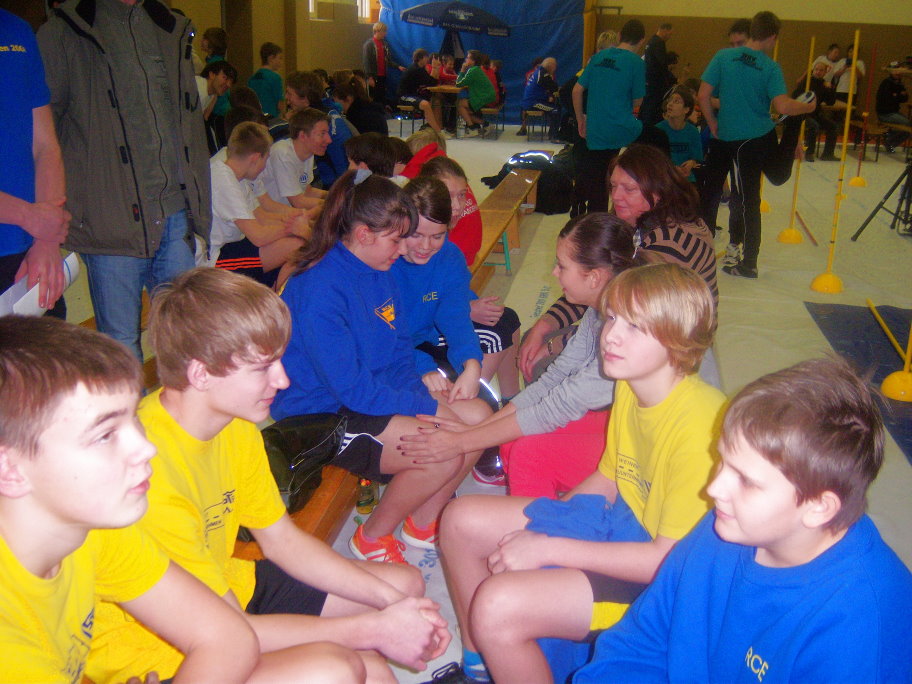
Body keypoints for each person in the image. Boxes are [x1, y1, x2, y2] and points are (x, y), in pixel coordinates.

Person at [87, 267, 450, 682]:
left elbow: (282, 541)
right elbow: (227, 635)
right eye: (262, 368)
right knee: (339, 667)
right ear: (201, 373)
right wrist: (373, 629)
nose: (282, 379)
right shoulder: (145, 472)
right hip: (163, 648)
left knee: (403, 587)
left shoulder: (235, 426)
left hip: (226, 589)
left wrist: (393, 607)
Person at [438, 263, 725, 683]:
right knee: (460, 520)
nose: (611, 336)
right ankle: (482, 665)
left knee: (497, 605)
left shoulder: (702, 427)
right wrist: (548, 526)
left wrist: (548, 548)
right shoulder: (632, 383)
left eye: (635, 327)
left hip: (668, 582)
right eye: (613, 318)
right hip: (622, 525)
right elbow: (609, 478)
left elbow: (667, 561)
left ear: (677, 339)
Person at [575, 357, 912, 682]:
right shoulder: (724, 528)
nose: (714, 488)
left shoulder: (855, 622)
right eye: (722, 461)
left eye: (747, 481)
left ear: (818, 508)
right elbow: (639, 642)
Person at [0, 315, 262, 683]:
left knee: (328, 669)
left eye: (133, 419)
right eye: (105, 435)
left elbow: (230, 639)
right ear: (10, 470)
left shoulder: (88, 527)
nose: (146, 447)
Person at [272, 170, 491, 564]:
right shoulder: (319, 288)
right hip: (323, 413)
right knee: (443, 449)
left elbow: (399, 353)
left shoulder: (379, 270)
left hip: (368, 394)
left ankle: (422, 523)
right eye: (398, 239)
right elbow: (351, 390)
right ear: (363, 234)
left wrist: (426, 395)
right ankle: (372, 537)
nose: (405, 249)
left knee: (477, 418)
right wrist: (429, 408)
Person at [401, 213, 641, 499]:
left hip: (640, 444)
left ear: (594, 277)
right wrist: (477, 429)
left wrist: (463, 441)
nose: (554, 272)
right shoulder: (601, 308)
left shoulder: (626, 331)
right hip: (622, 420)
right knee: (510, 441)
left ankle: (538, 524)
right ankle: (535, 516)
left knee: (526, 451)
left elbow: (557, 406)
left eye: (562, 266)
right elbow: (555, 378)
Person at [38, 0, 211, 361]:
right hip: (111, 221)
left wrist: (199, 212)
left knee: (186, 343)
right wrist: (48, 226)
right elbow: (43, 137)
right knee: (120, 347)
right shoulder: (65, 30)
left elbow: (189, 125)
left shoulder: (169, 26)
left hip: (175, 214)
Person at [519, 144, 718, 383]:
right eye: (613, 186)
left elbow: (627, 317)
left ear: (658, 190)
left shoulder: (670, 243)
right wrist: (545, 324)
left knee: (544, 365)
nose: (616, 196)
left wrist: (554, 345)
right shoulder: (637, 221)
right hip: (630, 328)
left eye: (629, 189)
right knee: (533, 338)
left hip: (667, 352)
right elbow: (592, 284)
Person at [697, 11, 816, 279]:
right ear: (772, 37)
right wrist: (807, 107)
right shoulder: (770, 67)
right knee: (750, 199)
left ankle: (717, 254)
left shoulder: (723, 56)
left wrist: (712, 122)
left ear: (751, 31)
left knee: (721, 196)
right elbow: (782, 106)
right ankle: (748, 262)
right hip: (754, 140)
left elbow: (703, 94)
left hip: (732, 138)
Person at [417, 157, 522, 402]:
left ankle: (511, 399)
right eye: (448, 196)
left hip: (437, 317)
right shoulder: (414, 249)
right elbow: (416, 308)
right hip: (420, 335)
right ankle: (468, 397)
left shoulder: (447, 248)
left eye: (462, 195)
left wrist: (468, 305)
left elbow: (452, 290)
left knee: (508, 318)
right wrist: (468, 309)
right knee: (496, 334)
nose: (456, 206)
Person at [0, 9, 68, 316]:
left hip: (27, 251)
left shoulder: (16, 30)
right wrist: (29, 216)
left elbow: (45, 146)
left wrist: (46, 241)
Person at [393, 176, 484, 404]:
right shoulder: (385, 262)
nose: (426, 247)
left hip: (423, 341)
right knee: (464, 411)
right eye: (416, 235)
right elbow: (380, 338)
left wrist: (472, 364)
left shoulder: (450, 257)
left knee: (478, 401)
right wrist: (423, 367)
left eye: (437, 236)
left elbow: (455, 317)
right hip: (391, 354)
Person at [572, 20, 667, 214]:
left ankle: (597, 221)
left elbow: (576, 90)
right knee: (660, 138)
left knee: (600, 181)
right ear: (641, 40)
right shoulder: (636, 62)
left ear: (619, 35)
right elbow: (638, 100)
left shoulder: (598, 57)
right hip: (621, 129)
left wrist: (581, 119)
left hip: (596, 130)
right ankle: (661, 196)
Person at [205, 122, 309, 287]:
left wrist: (294, 220)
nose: (265, 166)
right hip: (214, 259)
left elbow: (261, 216)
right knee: (296, 245)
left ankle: (270, 290)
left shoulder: (238, 177)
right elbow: (259, 236)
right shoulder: (223, 179)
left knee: (293, 239)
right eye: (266, 159)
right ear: (255, 158)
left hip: (232, 245)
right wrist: (293, 227)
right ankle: (274, 297)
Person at [260, 107, 329, 210]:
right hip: (269, 215)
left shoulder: (308, 153)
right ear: (303, 136)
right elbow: (298, 202)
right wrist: (334, 203)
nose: (329, 140)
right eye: (322, 134)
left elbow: (307, 191)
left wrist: (335, 195)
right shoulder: (282, 153)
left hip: (287, 213)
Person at [793, 62, 838, 162]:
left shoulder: (824, 84)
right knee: (814, 126)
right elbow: (795, 96)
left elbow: (830, 102)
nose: (818, 72)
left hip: (815, 114)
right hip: (802, 114)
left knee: (833, 126)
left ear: (825, 72)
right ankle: (809, 153)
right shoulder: (807, 82)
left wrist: (830, 89)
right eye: (816, 69)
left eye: (821, 70)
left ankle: (828, 154)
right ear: (813, 71)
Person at [656, 85, 703, 181]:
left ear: (686, 109)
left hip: (686, 178)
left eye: (676, 101)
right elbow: (653, 159)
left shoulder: (693, 132)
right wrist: (672, 169)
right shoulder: (658, 130)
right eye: (670, 100)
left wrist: (691, 163)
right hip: (664, 178)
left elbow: (697, 159)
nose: (670, 104)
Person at [397, 48, 447, 136]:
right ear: (421, 58)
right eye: (426, 57)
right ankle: (438, 132)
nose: (428, 59)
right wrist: (435, 67)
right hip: (404, 96)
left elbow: (433, 82)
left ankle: (435, 126)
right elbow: (431, 82)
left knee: (435, 100)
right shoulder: (416, 69)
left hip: (414, 94)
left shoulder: (421, 68)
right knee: (425, 104)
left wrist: (436, 68)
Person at [198, 60, 238, 154]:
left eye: (231, 82)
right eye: (225, 78)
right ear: (212, 74)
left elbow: (204, 119)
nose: (228, 84)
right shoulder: (197, 88)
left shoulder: (211, 95)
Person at [456, 50, 497, 138]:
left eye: (468, 57)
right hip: (488, 97)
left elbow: (458, 83)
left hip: (484, 99)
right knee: (465, 111)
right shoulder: (477, 70)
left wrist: (462, 70)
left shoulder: (473, 70)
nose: (466, 59)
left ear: (473, 61)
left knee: (459, 105)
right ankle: (484, 124)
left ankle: (473, 128)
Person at [639, 23, 674, 126]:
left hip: (649, 81)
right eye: (670, 34)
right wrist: (668, 79)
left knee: (646, 107)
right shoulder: (659, 43)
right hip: (656, 85)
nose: (669, 37)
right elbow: (661, 64)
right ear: (664, 30)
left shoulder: (651, 42)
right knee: (653, 110)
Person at [362, 21, 404, 106]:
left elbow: (388, 60)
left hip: (383, 75)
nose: (385, 33)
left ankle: (382, 111)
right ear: (377, 31)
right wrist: (369, 77)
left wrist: (398, 66)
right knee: (374, 97)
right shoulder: (369, 44)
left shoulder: (384, 44)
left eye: (385, 31)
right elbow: (367, 62)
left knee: (381, 96)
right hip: (374, 76)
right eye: (384, 31)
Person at [518, 57, 561, 140]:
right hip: (533, 103)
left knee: (556, 106)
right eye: (555, 66)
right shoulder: (543, 74)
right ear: (551, 66)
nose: (555, 69)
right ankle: (554, 136)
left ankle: (553, 132)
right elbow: (553, 87)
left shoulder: (539, 72)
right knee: (555, 110)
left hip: (533, 100)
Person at [248, 42, 285, 119]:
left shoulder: (252, 78)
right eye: (280, 58)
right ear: (271, 58)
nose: (281, 62)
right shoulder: (275, 77)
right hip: (271, 118)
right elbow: (280, 104)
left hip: (256, 118)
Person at [876, 68, 910, 153]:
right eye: (895, 71)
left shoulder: (900, 84)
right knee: (907, 124)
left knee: (908, 127)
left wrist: (896, 95)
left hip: (894, 112)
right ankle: (889, 140)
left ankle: (889, 140)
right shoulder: (886, 83)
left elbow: (905, 98)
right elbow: (887, 99)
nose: (898, 73)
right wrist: (898, 95)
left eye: (899, 72)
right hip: (885, 114)